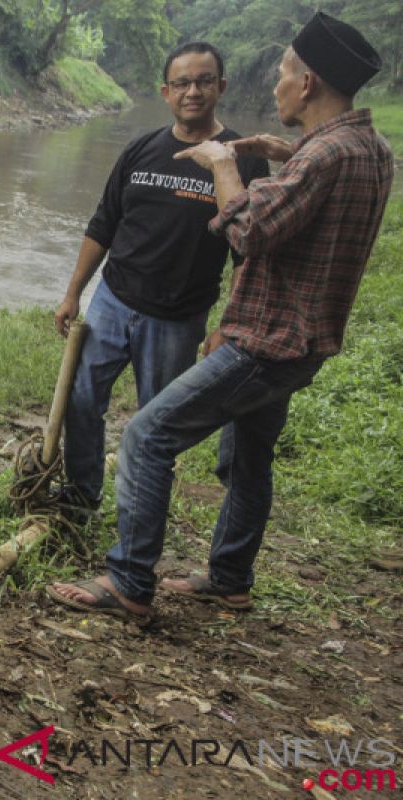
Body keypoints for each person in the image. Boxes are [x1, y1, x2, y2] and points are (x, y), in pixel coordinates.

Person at [48, 11, 393, 624]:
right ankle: (230, 578)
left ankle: (129, 581)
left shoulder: (319, 157)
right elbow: (302, 203)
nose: (279, 83)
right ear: (165, 91)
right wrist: (275, 152)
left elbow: (251, 230)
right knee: (246, 458)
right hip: (300, 341)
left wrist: (223, 165)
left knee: (147, 435)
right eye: (181, 83)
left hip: (262, 340)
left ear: (308, 82)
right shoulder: (366, 148)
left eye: (285, 72)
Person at [53, 42, 270, 518]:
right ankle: (81, 497)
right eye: (182, 83)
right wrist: (73, 293)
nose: (193, 92)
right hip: (112, 299)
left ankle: (141, 518)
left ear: (221, 87)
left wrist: (227, 325)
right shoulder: (141, 149)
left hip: (178, 318)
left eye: (204, 81)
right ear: (165, 92)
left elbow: (247, 255)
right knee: (82, 401)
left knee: (156, 424)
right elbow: (103, 224)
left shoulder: (242, 162)